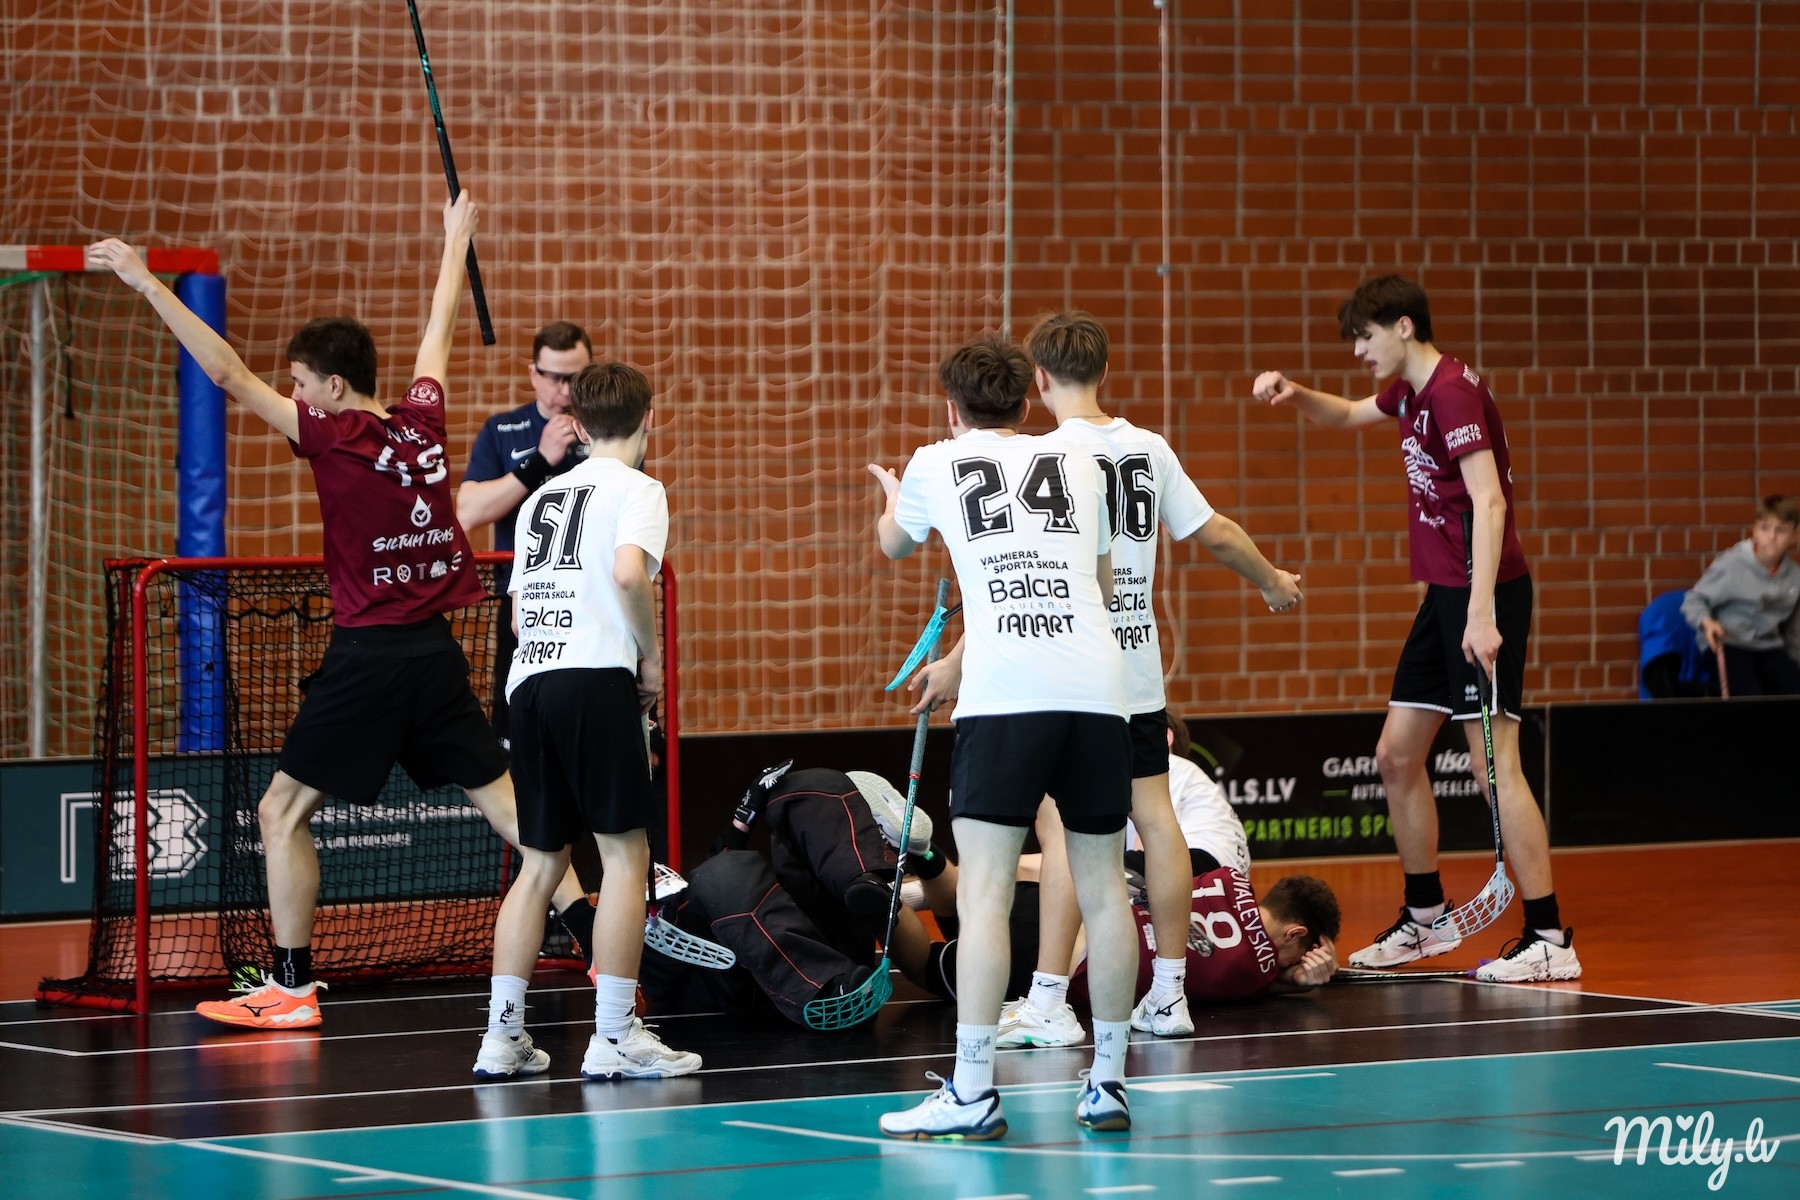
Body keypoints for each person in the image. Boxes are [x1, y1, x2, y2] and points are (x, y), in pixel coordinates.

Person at [88, 196, 586, 1031]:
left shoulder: (333, 434)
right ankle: (598, 939)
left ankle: (291, 989)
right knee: (504, 803)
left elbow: (226, 375)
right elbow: (436, 334)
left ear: (334, 387)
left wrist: (145, 282)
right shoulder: (423, 422)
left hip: (369, 659)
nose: (293, 394)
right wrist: (453, 244)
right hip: (435, 656)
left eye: (300, 384)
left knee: (280, 812)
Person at [1251, 275, 1582, 984]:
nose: (1359, 351)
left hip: (1484, 595)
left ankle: (1549, 936)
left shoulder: (1453, 393)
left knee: (1493, 766)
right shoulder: (1410, 393)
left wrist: (1482, 611)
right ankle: (1426, 917)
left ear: (1403, 326)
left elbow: (1490, 502)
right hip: (1446, 598)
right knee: (1397, 756)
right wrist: (1295, 392)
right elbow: (1347, 415)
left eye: (1365, 336)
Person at [991, 311, 1302, 1047]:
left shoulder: (1042, 457)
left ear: (1039, 380)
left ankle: (1048, 999)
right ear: (1105, 371)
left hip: (1073, 673)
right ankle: (1169, 993)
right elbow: (1214, 530)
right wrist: (1272, 580)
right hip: (1137, 669)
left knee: (1063, 827)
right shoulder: (1148, 448)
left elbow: (1025, 571)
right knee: (1156, 818)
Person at [869, 334, 1138, 1140]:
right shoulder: (1082, 461)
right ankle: (1109, 1084)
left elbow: (893, 543)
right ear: (1027, 402)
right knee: (1103, 890)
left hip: (1007, 697)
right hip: (1098, 689)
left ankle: (974, 1090)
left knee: (984, 892)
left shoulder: (934, 462)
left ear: (952, 409)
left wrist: (893, 496)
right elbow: (1099, 585)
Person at [484, 361, 701, 1080]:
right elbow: (629, 572)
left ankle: (501, 1037)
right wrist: (650, 656)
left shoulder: (541, 498)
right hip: (592, 681)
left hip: (530, 684)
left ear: (575, 425)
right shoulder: (640, 489)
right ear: (649, 419)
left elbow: (519, 616)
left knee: (541, 863)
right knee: (624, 857)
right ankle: (614, 1036)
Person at [639, 764, 952, 1026]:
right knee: (723, 871)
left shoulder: (971, 965)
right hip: (769, 982)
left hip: (827, 962)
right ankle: (830, 986)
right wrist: (924, 855)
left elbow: (929, 965)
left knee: (796, 791)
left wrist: (741, 821)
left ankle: (861, 874)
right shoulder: (646, 933)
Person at [455, 321, 595, 744]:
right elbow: (468, 511)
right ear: (534, 374)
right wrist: (540, 461)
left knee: (588, 722)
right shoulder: (503, 430)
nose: (565, 390)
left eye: (576, 378)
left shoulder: (605, 428)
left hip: (592, 597)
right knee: (518, 726)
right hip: (523, 600)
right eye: (554, 377)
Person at [1681, 495, 1800, 696]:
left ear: (1794, 536)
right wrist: (1707, 622)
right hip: (1729, 644)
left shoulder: (1795, 576)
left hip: (1768, 647)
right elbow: (1693, 600)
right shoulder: (1732, 563)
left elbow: (1794, 633)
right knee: (1750, 696)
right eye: (1765, 528)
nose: (1772, 537)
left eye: (1781, 530)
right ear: (1755, 531)